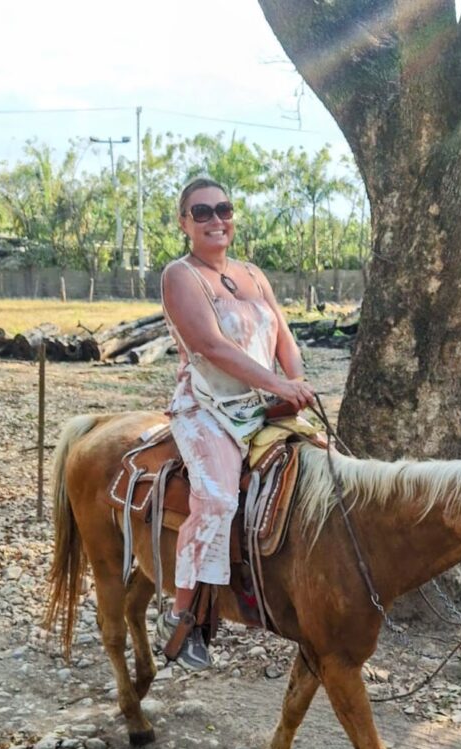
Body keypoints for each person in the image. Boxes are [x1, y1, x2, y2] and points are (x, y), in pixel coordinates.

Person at [157, 177, 316, 670]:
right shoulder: (180, 276)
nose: (214, 220)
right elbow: (210, 345)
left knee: (327, 471)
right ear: (184, 222)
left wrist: (297, 384)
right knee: (219, 496)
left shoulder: (252, 273)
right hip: (209, 406)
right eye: (201, 212)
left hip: (264, 402)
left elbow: (284, 338)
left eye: (222, 209)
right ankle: (182, 617)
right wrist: (277, 385)